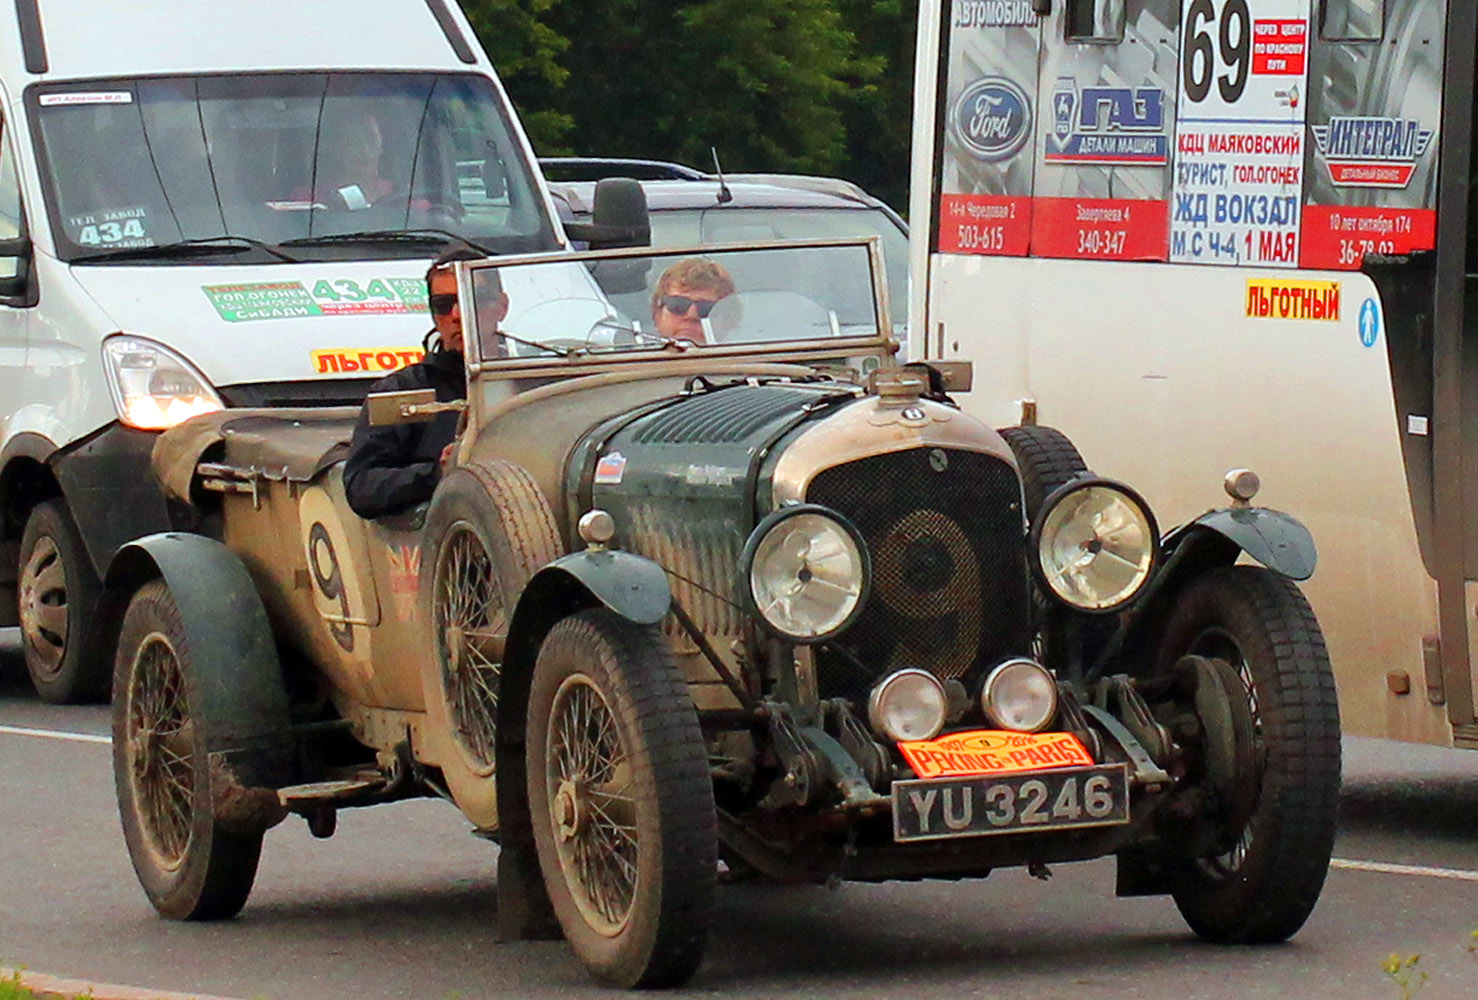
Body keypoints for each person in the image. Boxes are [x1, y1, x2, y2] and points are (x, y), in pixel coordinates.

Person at [343, 247, 486, 519]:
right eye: (444, 304)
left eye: (472, 299)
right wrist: (438, 473)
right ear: (434, 314)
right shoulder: (402, 390)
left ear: (501, 305)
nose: (457, 314)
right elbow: (361, 486)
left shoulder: (533, 384)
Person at [650, 257, 735, 344]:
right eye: (678, 304)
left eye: (706, 308)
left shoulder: (747, 355)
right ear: (657, 315)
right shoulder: (637, 356)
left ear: (728, 320)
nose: (691, 315)